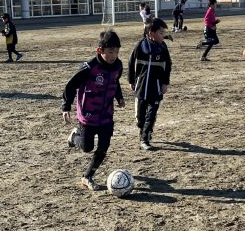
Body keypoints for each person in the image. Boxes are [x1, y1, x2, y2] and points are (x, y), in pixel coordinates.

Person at [62, 30, 125, 191]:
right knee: (86, 148)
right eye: (110, 52)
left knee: (103, 147)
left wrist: (119, 97)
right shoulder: (89, 68)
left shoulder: (118, 66)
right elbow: (71, 85)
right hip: (88, 116)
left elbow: (115, 82)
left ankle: (87, 176)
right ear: (100, 50)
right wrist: (66, 106)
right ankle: (75, 137)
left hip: (106, 115)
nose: (114, 56)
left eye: (117, 52)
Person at [128, 18, 172, 150]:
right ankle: (143, 131)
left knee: (151, 114)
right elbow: (131, 63)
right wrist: (131, 80)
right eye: (160, 32)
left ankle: (145, 138)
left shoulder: (163, 47)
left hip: (156, 87)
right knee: (140, 117)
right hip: (141, 87)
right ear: (151, 33)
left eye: (164, 32)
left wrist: (165, 83)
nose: (163, 35)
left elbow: (168, 66)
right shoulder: (140, 45)